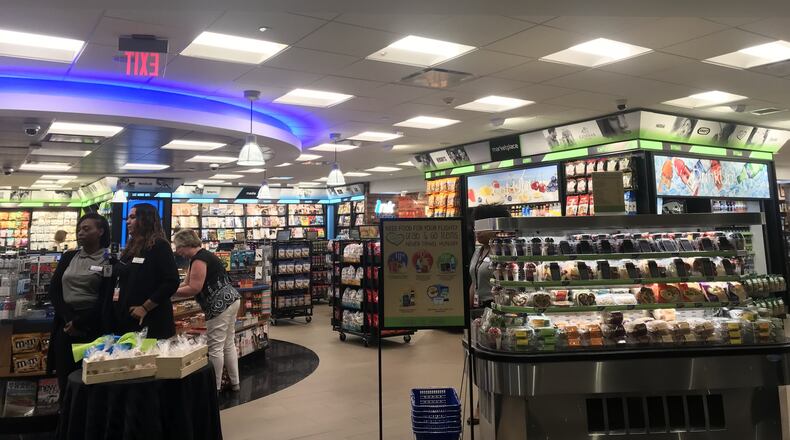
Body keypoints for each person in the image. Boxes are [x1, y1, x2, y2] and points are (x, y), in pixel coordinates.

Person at [47, 213, 112, 400]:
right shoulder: (69, 257)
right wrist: (69, 319)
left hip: (93, 328)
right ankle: (66, 415)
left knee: (93, 382)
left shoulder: (109, 260)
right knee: (66, 381)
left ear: (100, 231)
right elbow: (54, 290)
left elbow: (106, 298)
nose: (80, 232)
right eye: (79, 229)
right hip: (66, 325)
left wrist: (80, 322)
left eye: (86, 228)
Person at [173, 229, 241, 391]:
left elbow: (194, 288)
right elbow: (186, 283)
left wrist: (169, 292)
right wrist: (172, 289)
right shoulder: (203, 256)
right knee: (228, 344)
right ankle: (235, 383)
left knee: (215, 348)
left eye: (178, 247)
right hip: (231, 299)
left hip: (219, 304)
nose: (177, 251)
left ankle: (214, 388)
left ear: (186, 244)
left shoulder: (199, 259)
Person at [111, 203, 179, 339]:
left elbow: (171, 282)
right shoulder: (132, 246)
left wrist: (145, 307)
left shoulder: (159, 245)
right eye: (128, 218)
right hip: (129, 319)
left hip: (152, 320)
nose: (128, 221)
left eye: (132, 217)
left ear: (145, 220)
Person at [469, 204, 512, 312]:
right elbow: (474, 282)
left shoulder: (505, 252)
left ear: (497, 226)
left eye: (483, 226)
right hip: (478, 308)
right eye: (476, 226)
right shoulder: (479, 251)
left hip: (497, 308)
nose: (478, 231)